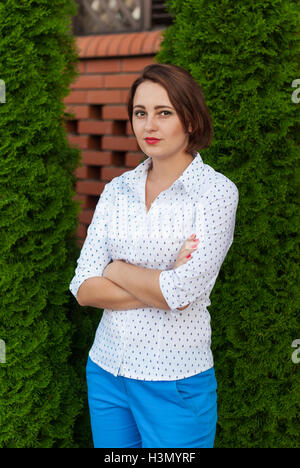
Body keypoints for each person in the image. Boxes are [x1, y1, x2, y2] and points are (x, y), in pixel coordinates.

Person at [69, 63, 239, 448]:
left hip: (175, 381)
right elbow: (83, 287)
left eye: (164, 113)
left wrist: (114, 269)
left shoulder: (215, 193)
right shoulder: (117, 190)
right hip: (107, 372)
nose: (150, 125)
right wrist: (161, 285)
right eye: (140, 113)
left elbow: (181, 295)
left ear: (191, 120)